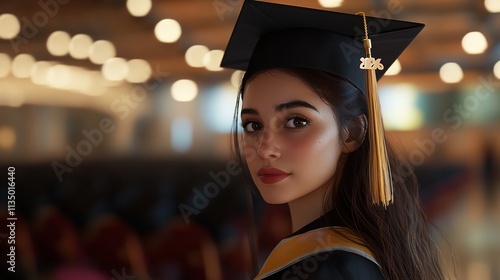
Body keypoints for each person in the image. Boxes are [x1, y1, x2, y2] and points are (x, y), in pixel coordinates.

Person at [221, 1, 446, 279]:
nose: (266, 148)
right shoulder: (352, 255)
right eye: (253, 125)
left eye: (297, 121)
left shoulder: (330, 270)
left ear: (352, 132)